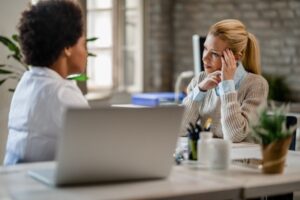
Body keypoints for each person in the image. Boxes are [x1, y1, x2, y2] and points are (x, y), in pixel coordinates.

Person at [4, 0, 89, 165]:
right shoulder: (63, 94)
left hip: (14, 182)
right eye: (83, 44)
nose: (86, 52)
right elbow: (94, 151)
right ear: (67, 48)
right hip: (42, 187)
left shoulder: (27, 83)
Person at [181, 19, 268, 142]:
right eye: (205, 48)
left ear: (235, 57)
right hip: (208, 157)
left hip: (238, 160)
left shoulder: (256, 85)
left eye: (215, 54)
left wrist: (227, 85)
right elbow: (180, 130)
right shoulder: (200, 80)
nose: (204, 58)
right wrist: (200, 90)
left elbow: (234, 136)